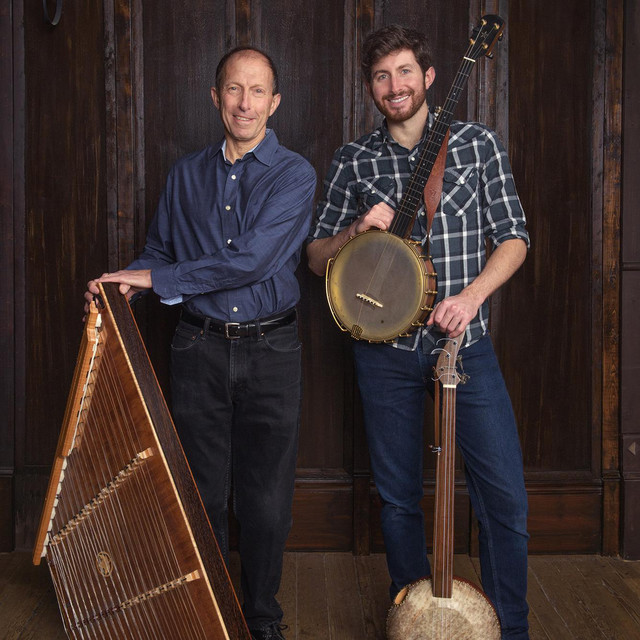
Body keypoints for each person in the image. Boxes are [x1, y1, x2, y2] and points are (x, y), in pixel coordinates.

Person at [85, 46, 317, 640]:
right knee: (200, 493)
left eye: (258, 91)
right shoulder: (185, 174)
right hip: (198, 349)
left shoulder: (294, 175)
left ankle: (261, 619)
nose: (245, 103)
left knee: (266, 501)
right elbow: (159, 253)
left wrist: (155, 279)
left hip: (272, 352)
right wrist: (123, 283)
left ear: (275, 102)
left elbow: (252, 260)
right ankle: (209, 616)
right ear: (215, 97)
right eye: (234, 89)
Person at [307, 24, 530, 639]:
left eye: (405, 71)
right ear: (370, 87)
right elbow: (316, 259)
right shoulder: (355, 159)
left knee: (503, 499)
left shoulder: (478, 146)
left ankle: (512, 631)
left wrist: (472, 298)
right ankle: (416, 625)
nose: (394, 85)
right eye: (381, 76)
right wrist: (354, 230)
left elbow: (514, 237)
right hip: (384, 353)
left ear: (428, 77)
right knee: (399, 499)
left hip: (465, 349)